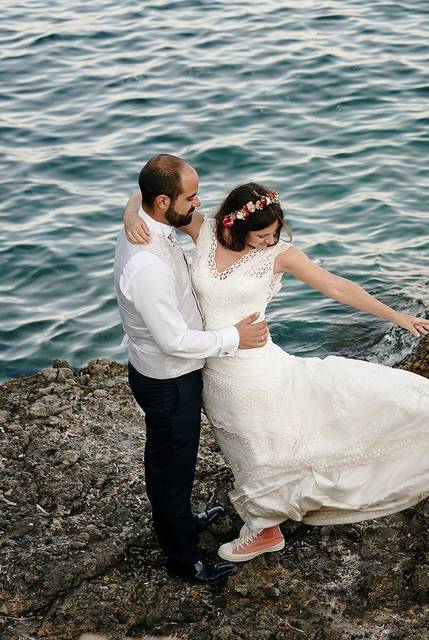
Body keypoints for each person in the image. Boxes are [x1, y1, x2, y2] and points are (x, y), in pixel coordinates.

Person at [123, 173, 429, 564]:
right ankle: (266, 523)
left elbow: (336, 286)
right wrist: (129, 215)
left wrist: (396, 316)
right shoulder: (206, 229)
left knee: (261, 443)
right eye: (263, 235)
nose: (271, 241)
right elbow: (152, 202)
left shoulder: (279, 255)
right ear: (235, 225)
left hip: (254, 368)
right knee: (241, 445)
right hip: (213, 365)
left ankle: (264, 528)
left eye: (275, 234)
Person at [114, 154, 271, 585]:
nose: (200, 203)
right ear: (164, 201)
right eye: (192, 196)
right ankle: (183, 559)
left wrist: (131, 208)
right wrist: (234, 338)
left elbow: (137, 193)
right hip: (168, 378)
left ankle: (180, 518)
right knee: (172, 466)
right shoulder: (146, 265)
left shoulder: (149, 218)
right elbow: (174, 340)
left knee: (170, 460)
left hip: (171, 373)